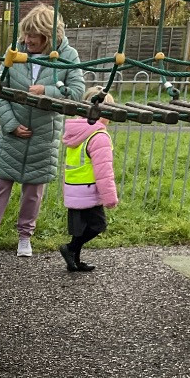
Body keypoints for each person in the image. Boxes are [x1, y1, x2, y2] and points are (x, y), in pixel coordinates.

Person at [0, 4, 85, 259]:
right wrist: (10, 124)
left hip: (43, 136)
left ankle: (25, 236)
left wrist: (47, 91)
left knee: (32, 192)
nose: (27, 40)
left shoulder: (67, 56)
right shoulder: (15, 51)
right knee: (1, 186)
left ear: (48, 37)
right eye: (25, 34)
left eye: (33, 36)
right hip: (13, 132)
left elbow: (76, 93)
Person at [59, 87, 119, 273]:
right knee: (98, 225)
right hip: (89, 189)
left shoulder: (77, 130)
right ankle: (70, 248)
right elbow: (104, 172)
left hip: (74, 187)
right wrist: (110, 198)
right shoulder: (98, 136)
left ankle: (74, 259)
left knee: (80, 227)